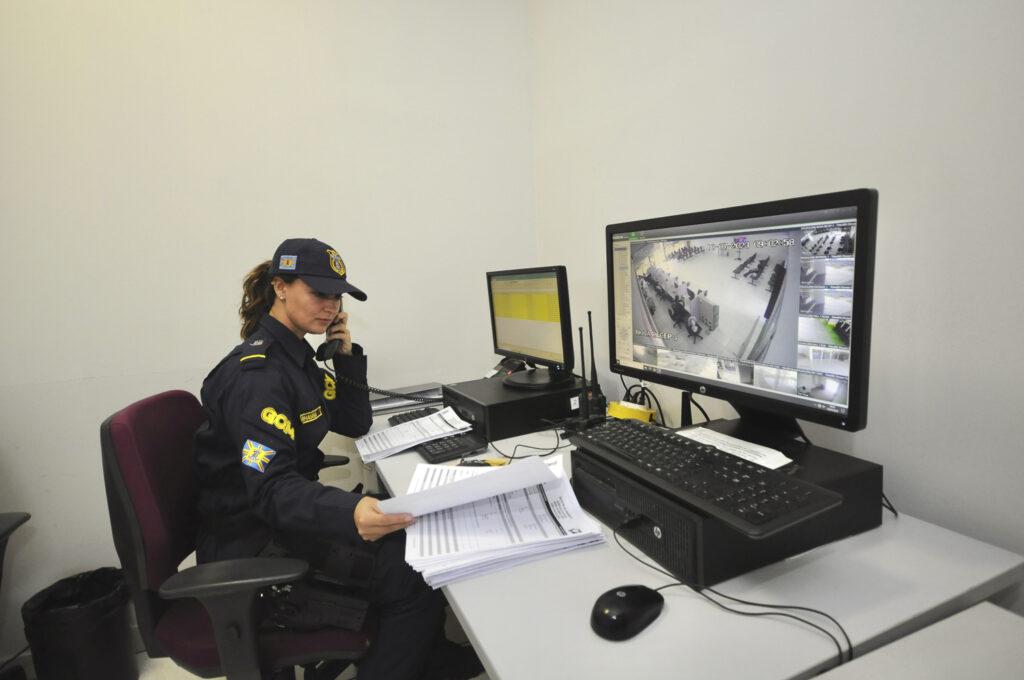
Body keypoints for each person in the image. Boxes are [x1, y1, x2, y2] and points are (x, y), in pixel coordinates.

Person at [193, 238, 479, 680]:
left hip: (281, 518)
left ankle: (424, 656)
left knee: (419, 544)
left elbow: (353, 422)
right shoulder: (258, 377)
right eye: (319, 293)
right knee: (415, 572)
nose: (330, 306)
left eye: (337, 296)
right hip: (253, 540)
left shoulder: (297, 358)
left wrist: (343, 356)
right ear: (280, 287)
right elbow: (270, 491)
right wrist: (351, 511)